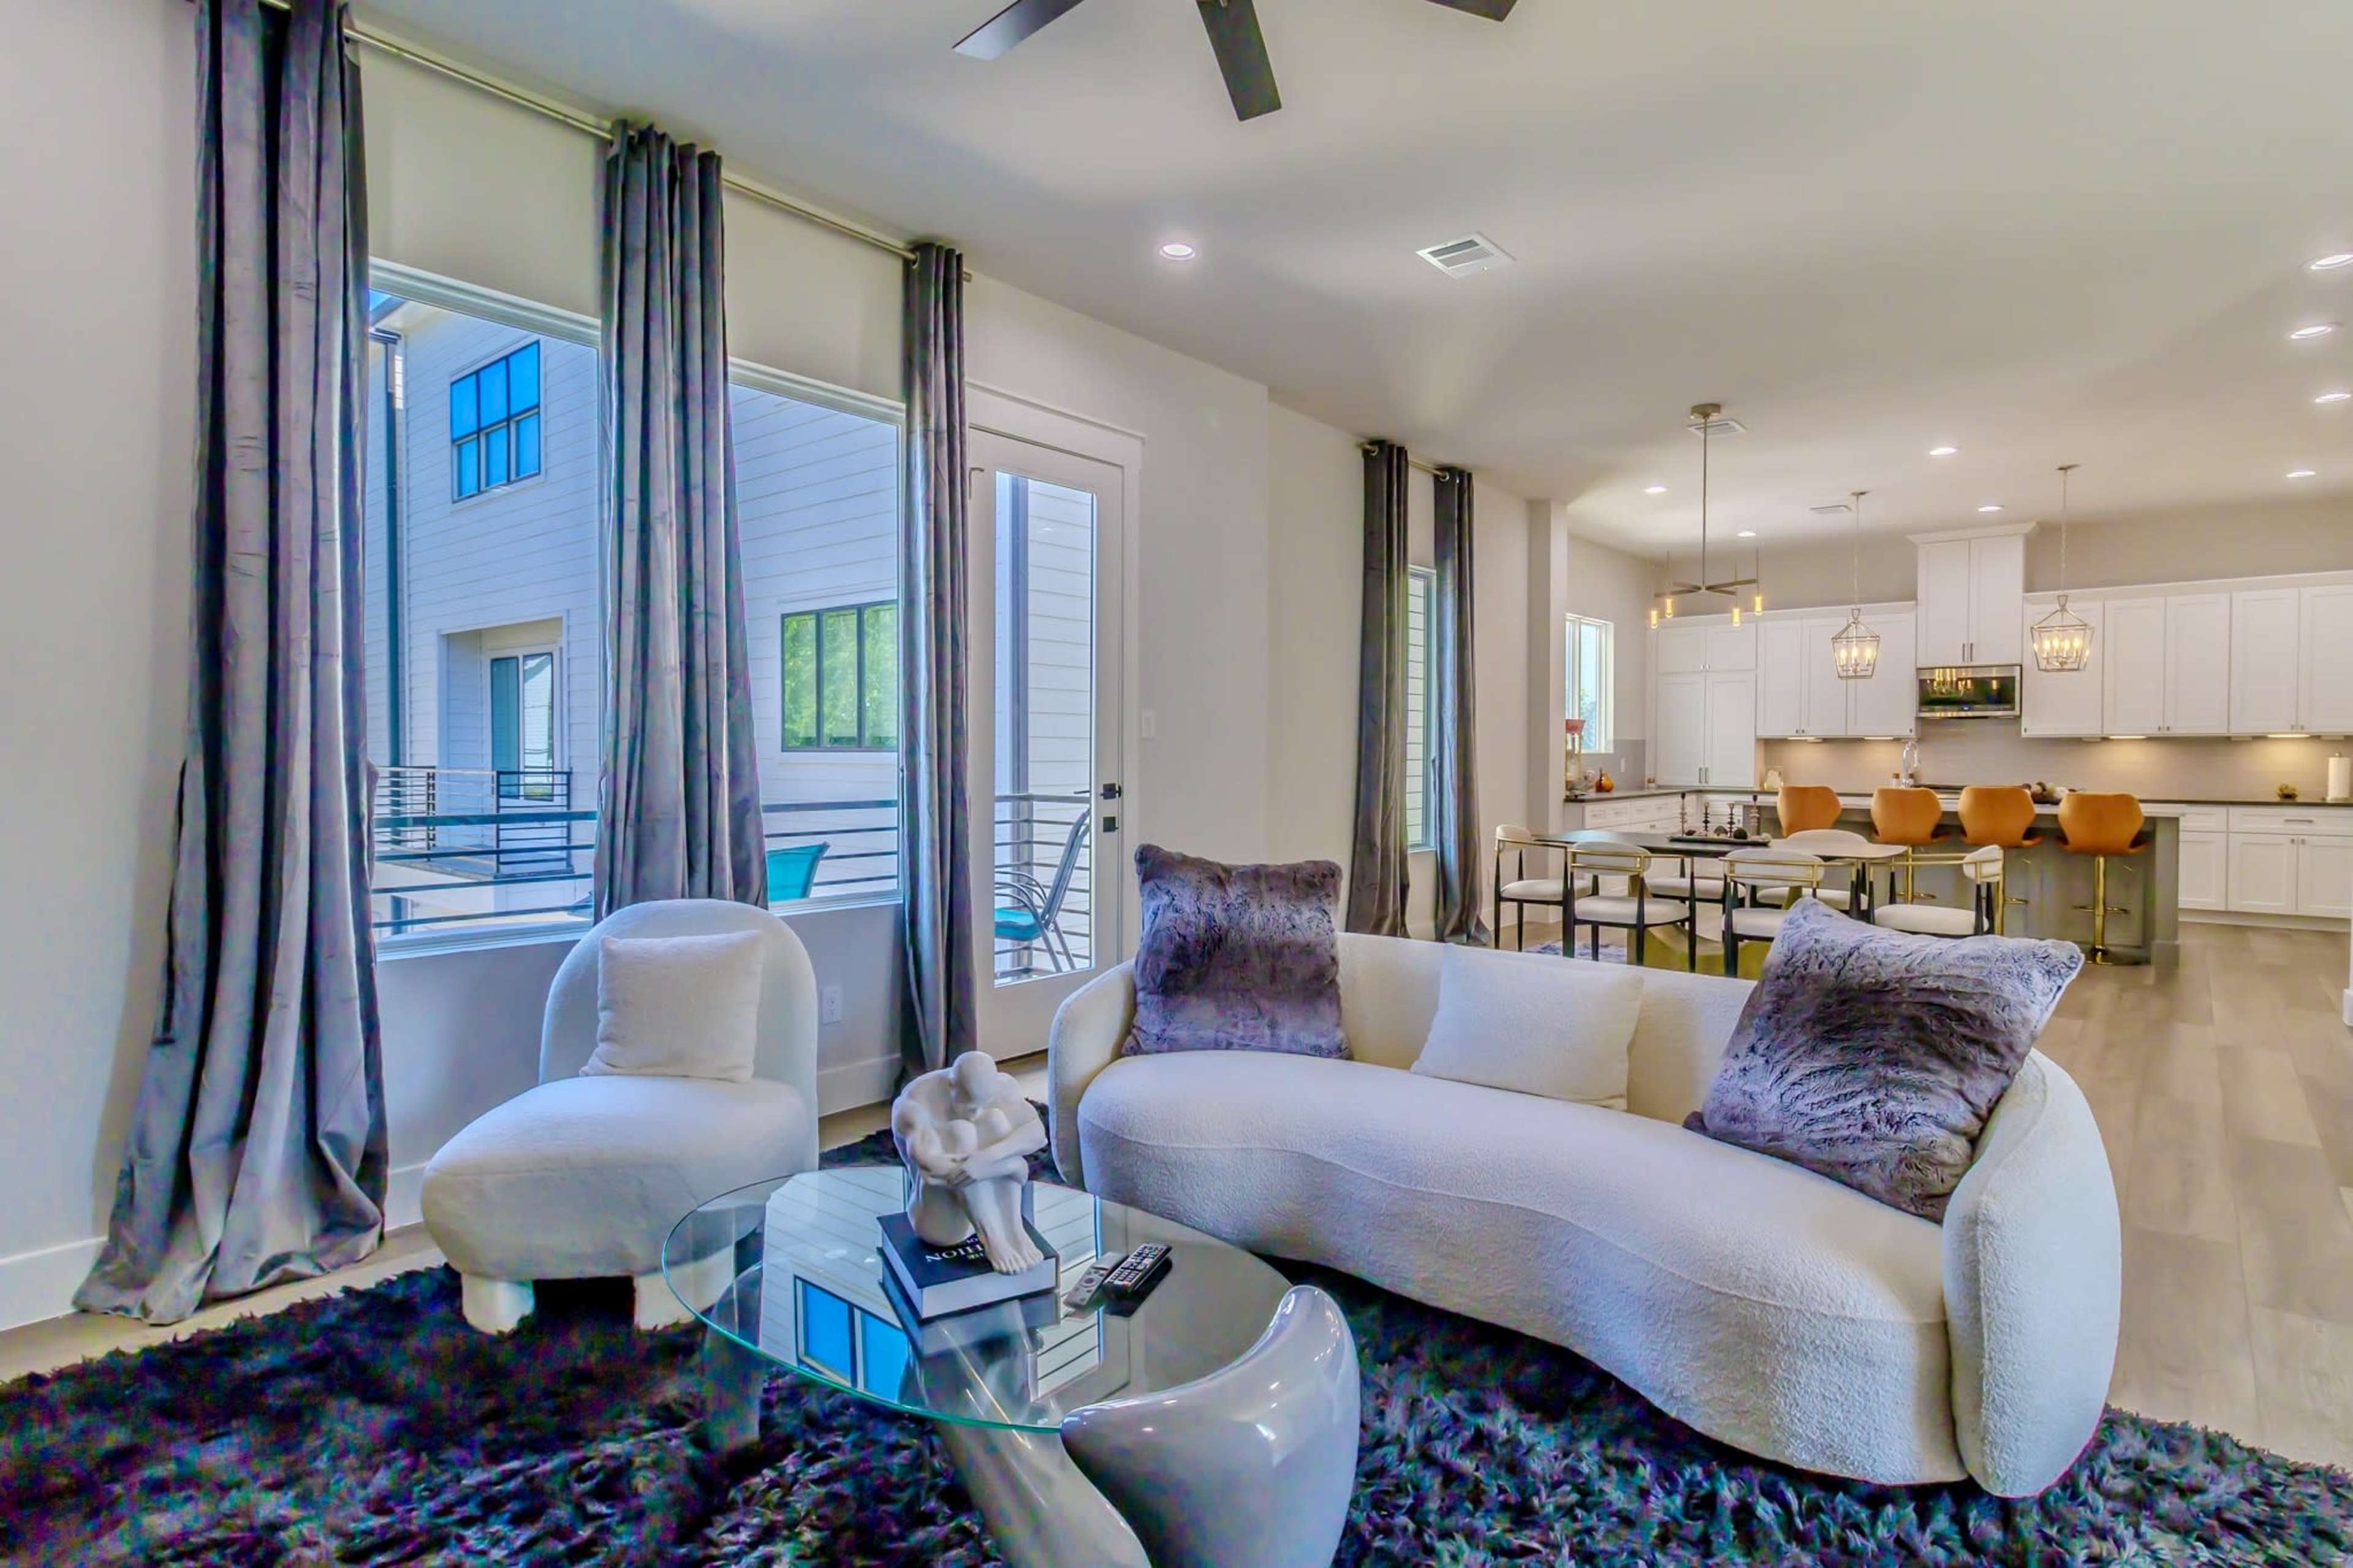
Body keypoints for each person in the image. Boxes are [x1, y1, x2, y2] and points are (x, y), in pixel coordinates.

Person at [890, 1051, 1048, 1272]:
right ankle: (992, 1238)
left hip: (989, 1202)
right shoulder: (916, 1101)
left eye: (983, 1104)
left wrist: (986, 1159)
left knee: (995, 1121)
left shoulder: (1003, 1087)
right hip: (942, 1223)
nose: (976, 1114)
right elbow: (932, 1167)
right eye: (971, 1107)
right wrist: (1014, 1166)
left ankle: (1014, 1231)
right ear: (952, 1085)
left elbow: (1037, 1135)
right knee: (961, 1132)